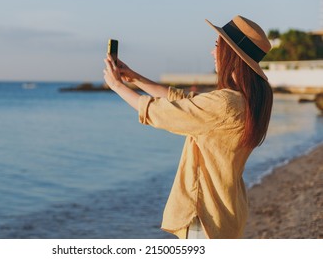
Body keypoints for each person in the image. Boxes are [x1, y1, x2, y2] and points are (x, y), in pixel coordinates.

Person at [103, 15, 273, 239]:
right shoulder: (247, 101)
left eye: (216, 46)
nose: (213, 53)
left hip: (205, 217)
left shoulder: (224, 103)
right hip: (228, 212)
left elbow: (161, 112)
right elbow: (185, 102)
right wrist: (134, 78)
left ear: (231, 54)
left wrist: (116, 86)